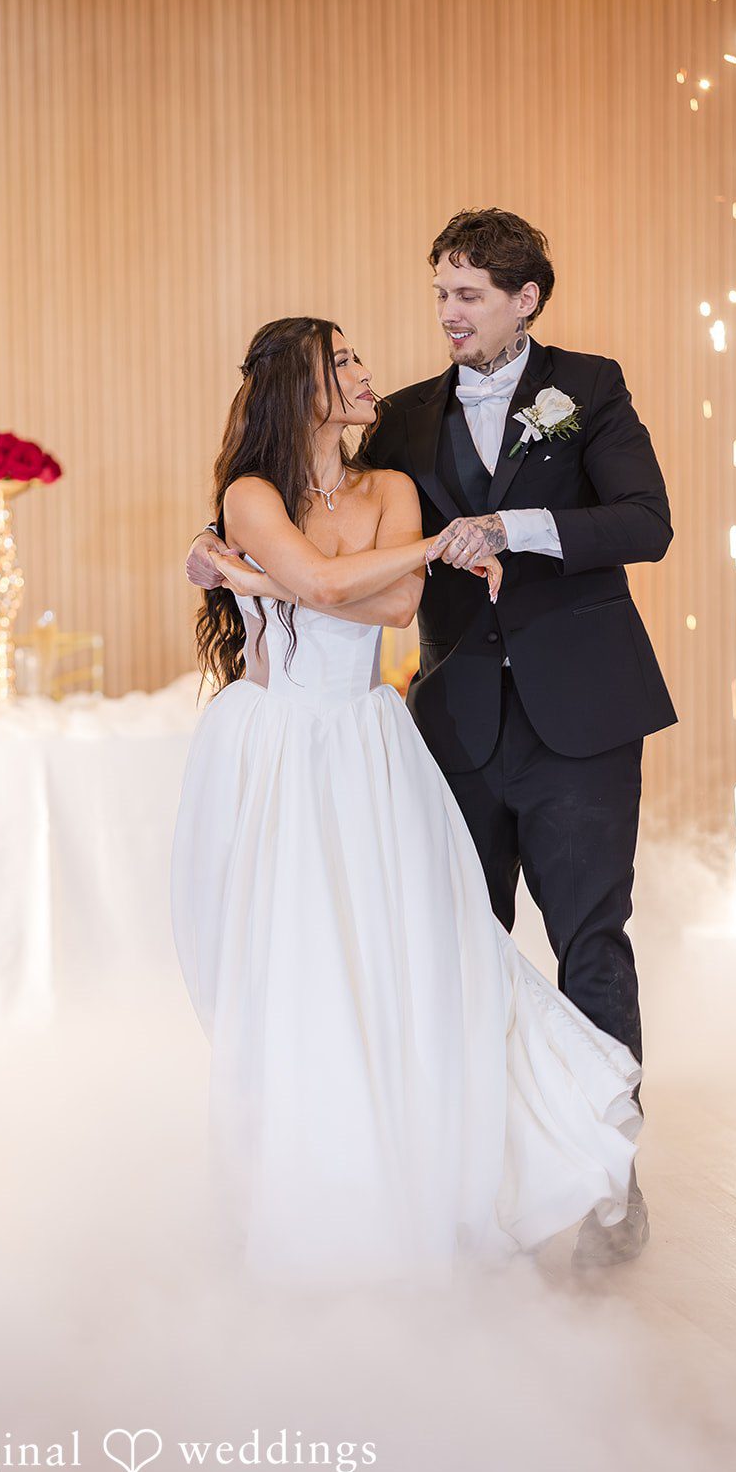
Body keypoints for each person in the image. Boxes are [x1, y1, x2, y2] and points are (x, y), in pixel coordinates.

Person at [187, 211, 677, 1269]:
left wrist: (511, 529)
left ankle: (603, 1178)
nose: (446, 316)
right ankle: (460, 1186)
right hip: (450, 722)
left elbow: (644, 524)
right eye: (439, 295)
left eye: (466, 297)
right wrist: (220, 547)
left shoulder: (587, 388)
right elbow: (309, 516)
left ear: (523, 298)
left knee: (589, 939)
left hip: (581, 715)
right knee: (452, 951)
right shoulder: (405, 419)